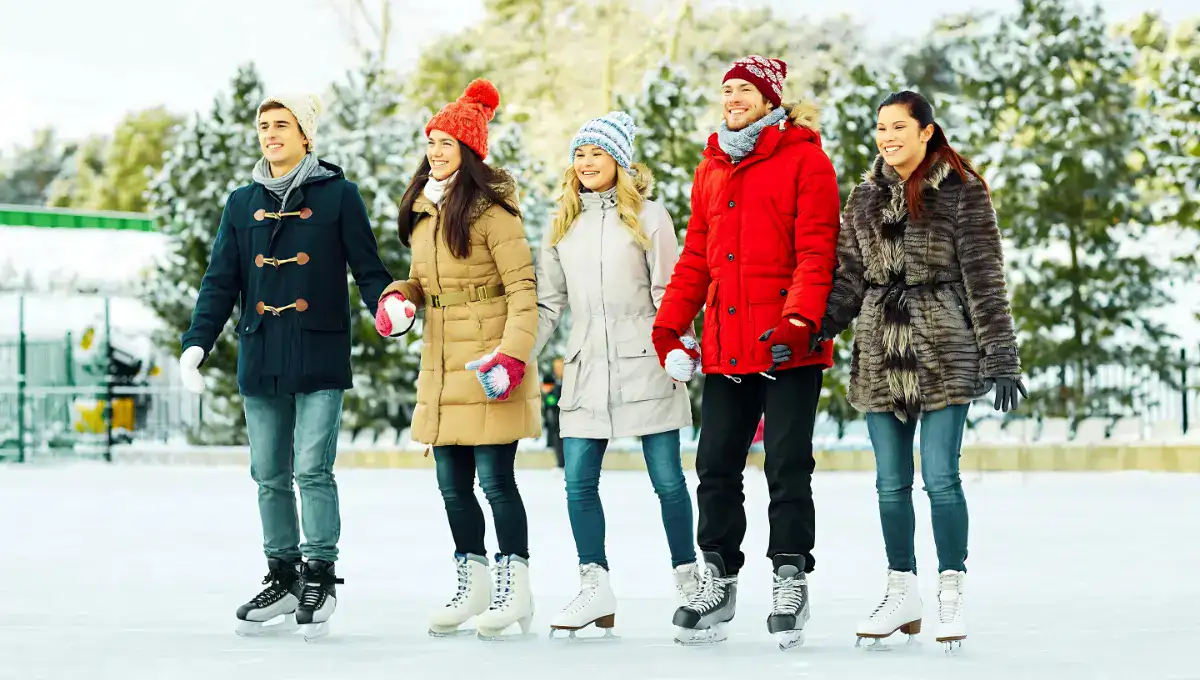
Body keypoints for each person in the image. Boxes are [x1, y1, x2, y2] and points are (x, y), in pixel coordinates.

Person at [178, 93, 394, 639]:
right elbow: (220, 282)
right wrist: (196, 343)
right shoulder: (240, 203)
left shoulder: (339, 196)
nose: (270, 134)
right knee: (268, 474)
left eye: (282, 125)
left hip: (318, 348)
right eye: (264, 126)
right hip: (262, 350)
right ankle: (284, 574)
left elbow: (368, 268)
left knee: (311, 468)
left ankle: (320, 572)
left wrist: (388, 306)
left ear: (306, 135)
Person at [817, 90, 1026, 652]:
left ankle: (950, 588)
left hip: (942, 349)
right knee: (890, 484)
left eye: (898, 127)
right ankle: (900, 588)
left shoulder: (963, 193)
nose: (887, 137)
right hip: (880, 351)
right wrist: (815, 325)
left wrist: (1001, 356)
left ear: (926, 132)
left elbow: (985, 278)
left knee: (940, 477)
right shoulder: (863, 197)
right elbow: (848, 279)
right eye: (880, 128)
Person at [651, 55, 841, 647]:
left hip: (788, 347)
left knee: (787, 466)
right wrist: (670, 326)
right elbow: (695, 259)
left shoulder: (805, 159)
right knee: (715, 467)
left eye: (744, 90)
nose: (732, 97)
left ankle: (790, 575)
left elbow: (817, 251)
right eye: (726, 89)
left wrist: (800, 320)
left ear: (769, 98)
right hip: (728, 347)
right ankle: (719, 577)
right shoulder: (711, 168)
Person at [373, 79, 541, 641]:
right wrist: (402, 299)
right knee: (451, 483)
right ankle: (471, 583)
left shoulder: (494, 212)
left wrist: (513, 356)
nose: (436, 151)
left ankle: (513, 588)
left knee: (496, 480)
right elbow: (423, 282)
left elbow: (523, 289)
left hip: (489, 357)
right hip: (443, 359)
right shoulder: (423, 212)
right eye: (432, 141)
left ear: (470, 151)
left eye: (447, 142)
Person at [532, 111, 703, 638]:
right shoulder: (561, 221)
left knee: (668, 479)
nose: (586, 163)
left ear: (620, 162)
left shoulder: (651, 217)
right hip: (585, 366)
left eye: (597, 153)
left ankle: (688, 581)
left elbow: (669, 293)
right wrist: (519, 357)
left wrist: (680, 347)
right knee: (578, 482)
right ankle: (594, 587)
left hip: (646, 360)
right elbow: (548, 303)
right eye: (580, 153)